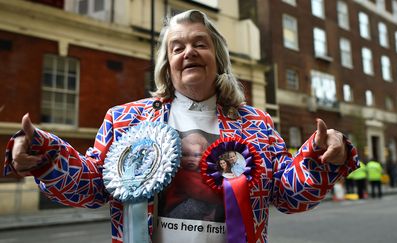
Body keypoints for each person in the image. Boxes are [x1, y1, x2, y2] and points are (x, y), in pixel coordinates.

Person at [5, 10, 358, 243]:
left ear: (217, 57)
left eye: (199, 44)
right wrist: (44, 153)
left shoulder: (258, 124)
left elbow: (287, 195)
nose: (188, 52)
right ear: (167, 62)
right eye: (177, 47)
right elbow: (93, 185)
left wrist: (320, 153)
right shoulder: (126, 119)